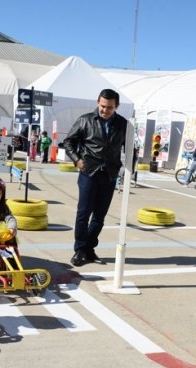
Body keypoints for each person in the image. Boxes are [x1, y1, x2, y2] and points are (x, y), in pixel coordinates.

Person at [62, 89, 128, 267]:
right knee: (83, 214)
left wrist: (129, 171)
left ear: (117, 106)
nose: (105, 110)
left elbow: (130, 149)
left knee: (100, 216)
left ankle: (89, 249)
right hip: (88, 173)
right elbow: (69, 141)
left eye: (110, 107)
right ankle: (79, 250)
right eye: (102, 106)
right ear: (98, 103)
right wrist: (77, 160)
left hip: (109, 175)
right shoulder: (85, 120)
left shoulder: (123, 124)